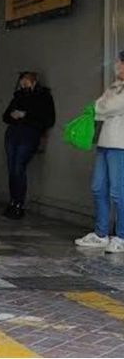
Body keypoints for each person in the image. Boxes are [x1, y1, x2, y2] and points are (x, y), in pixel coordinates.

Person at [75, 51, 124, 253]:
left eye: (120, 63)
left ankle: (121, 236)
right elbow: (102, 107)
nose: (117, 67)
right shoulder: (115, 86)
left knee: (118, 192)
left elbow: (107, 106)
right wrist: (100, 107)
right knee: (98, 187)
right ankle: (101, 233)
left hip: (120, 146)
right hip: (105, 142)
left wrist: (99, 107)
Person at [1, 71, 56, 219]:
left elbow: (48, 119)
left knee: (18, 167)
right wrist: (14, 116)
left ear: (33, 82)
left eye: (26, 83)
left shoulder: (43, 96)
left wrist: (25, 116)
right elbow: (5, 116)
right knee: (12, 169)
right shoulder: (18, 96)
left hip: (29, 135)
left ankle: (19, 204)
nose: (24, 86)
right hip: (13, 134)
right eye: (22, 84)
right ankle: (13, 201)